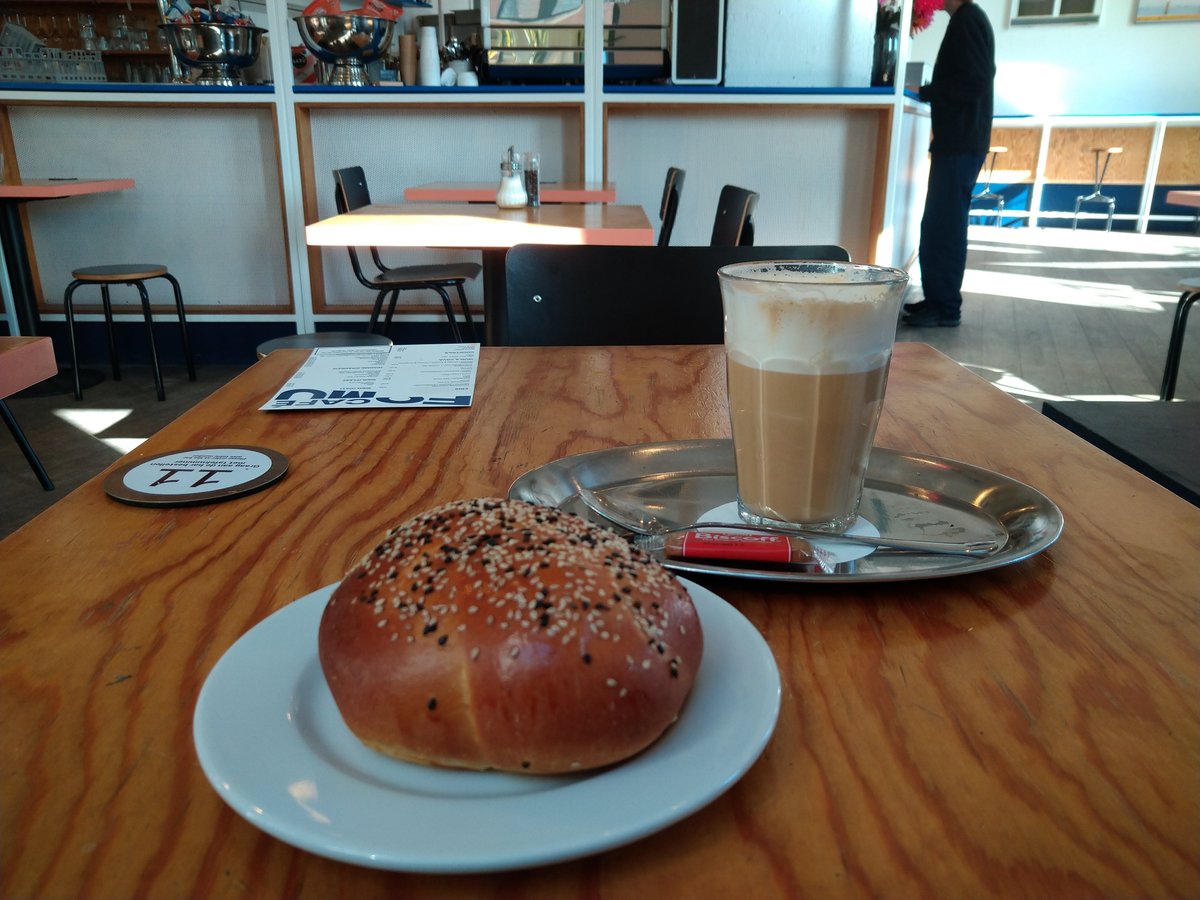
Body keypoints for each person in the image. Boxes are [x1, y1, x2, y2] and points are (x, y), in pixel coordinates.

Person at [903, 0, 996, 328]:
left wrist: (926, 91)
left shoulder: (968, 20)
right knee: (941, 224)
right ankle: (939, 300)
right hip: (960, 142)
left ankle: (945, 307)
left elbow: (975, 81)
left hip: (959, 143)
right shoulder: (969, 19)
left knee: (944, 226)